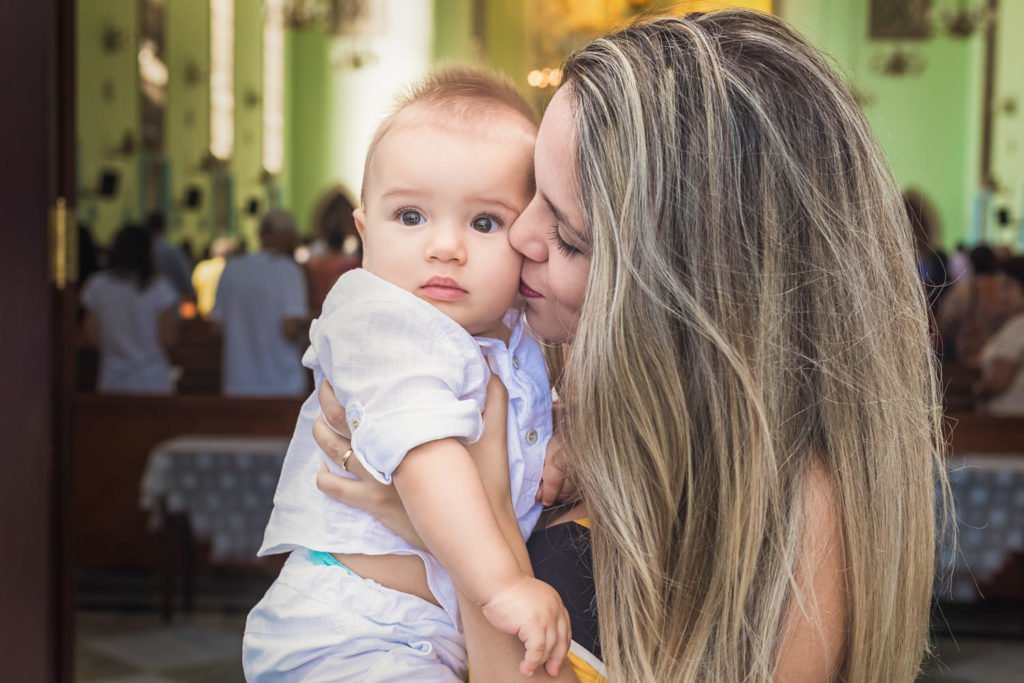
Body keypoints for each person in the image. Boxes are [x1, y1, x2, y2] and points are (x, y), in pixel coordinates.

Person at [314, 11, 947, 682]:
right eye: (531, 194)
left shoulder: (799, 513)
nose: (520, 236)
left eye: (567, 235)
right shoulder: (529, 360)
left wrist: (467, 528)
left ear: (688, 294)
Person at [242, 67, 570, 682]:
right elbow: (427, 458)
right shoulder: (381, 321)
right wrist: (503, 586)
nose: (445, 246)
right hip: (355, 630)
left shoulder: (513, 331)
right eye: (412, 216)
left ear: (527, 238)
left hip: (432, 632)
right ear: (365, 233)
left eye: (484, 222)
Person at [211, 210, 309, 397]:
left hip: (239, 381)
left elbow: (216, 327)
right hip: (282, 382)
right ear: (286, 236)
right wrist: (311, 323)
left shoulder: (232, 268)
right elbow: (289, 328)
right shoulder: (288, 270)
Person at [80, 224, 179, 394]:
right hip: (152, 379)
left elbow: (91, 335)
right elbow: (168, 337)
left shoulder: (98, 285)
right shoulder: (158, 288)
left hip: (113, 377)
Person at [977, 256, 1024, 415]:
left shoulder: (1019, 326)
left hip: (1008, 425)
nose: (1000, 295)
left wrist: (978, 390)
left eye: (1008, 287)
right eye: (999, 288)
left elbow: (997, 383)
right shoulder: (1014, 323)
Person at [305, 194, 362, 314]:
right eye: (334, 218)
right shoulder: (314, 257)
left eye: (343, 218)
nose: (338, 223)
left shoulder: (358, 253)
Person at [148, 211, 196, 302]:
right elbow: (184, 276)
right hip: (173, 301)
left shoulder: (145, 251)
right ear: (164, 228)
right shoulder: (172, 252)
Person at [191, 236, 236, 319]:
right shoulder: (230, 269)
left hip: (203, 318)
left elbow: (193, 292)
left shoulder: (201, 267)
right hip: (223, 318)